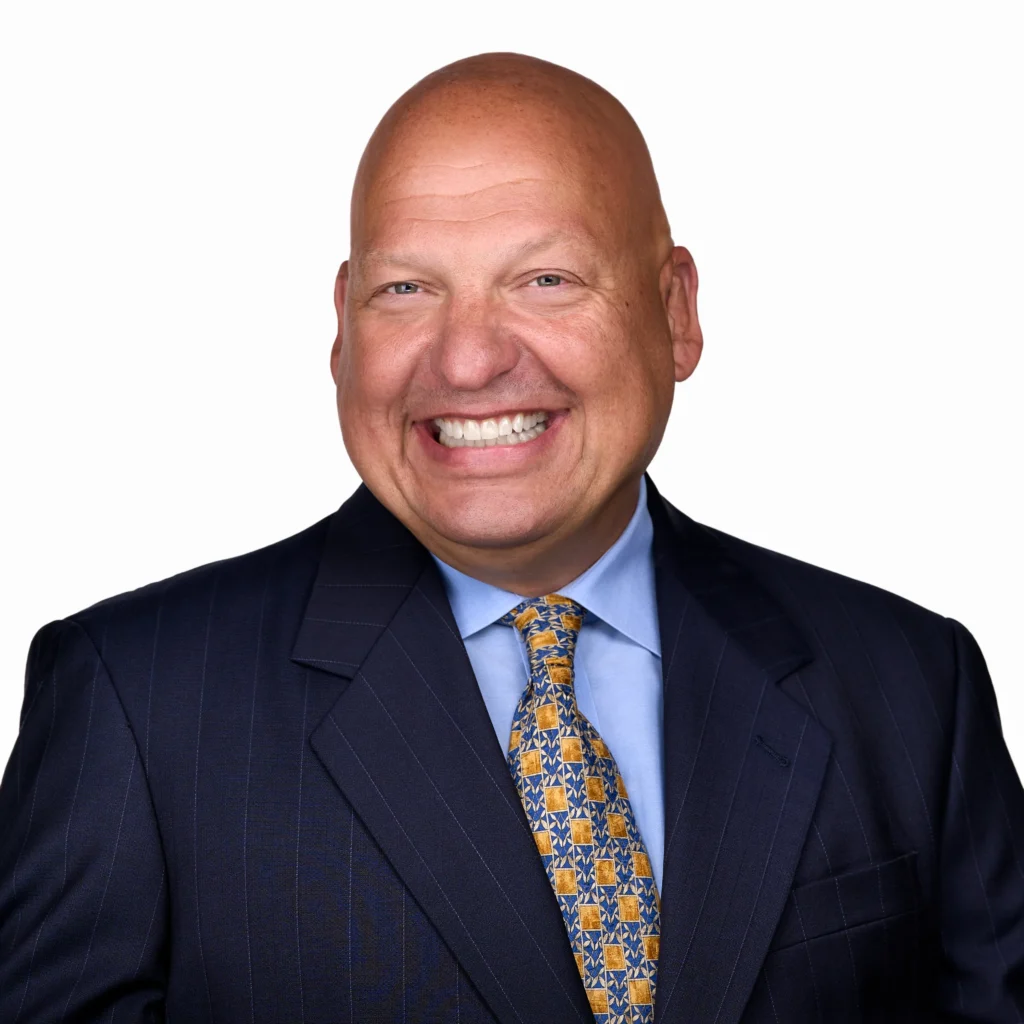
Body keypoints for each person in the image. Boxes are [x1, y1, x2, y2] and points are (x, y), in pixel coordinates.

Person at [1, 50, 1022, 1024]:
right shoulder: (136, 704)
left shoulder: (908, 685)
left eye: (545, 280)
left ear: (674, 312)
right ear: (341, 327)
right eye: (406, 289)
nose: (470, 356)